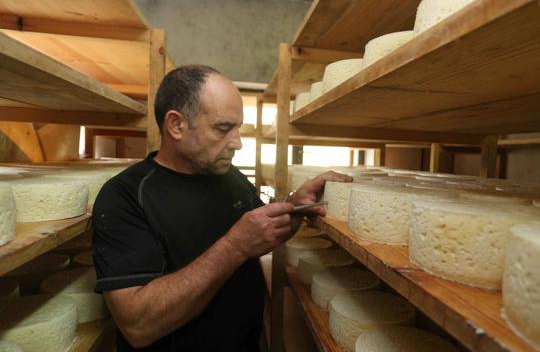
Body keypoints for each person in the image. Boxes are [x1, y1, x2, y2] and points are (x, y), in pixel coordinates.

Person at [92, 65, 351, 351]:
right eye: (223, 128)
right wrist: (235, 246)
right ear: (176, 125)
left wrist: (296, 207)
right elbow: (137, 325)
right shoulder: (124, 196)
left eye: (238, 127)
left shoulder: (229, 176)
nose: (237, 143)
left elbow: (260, 235)